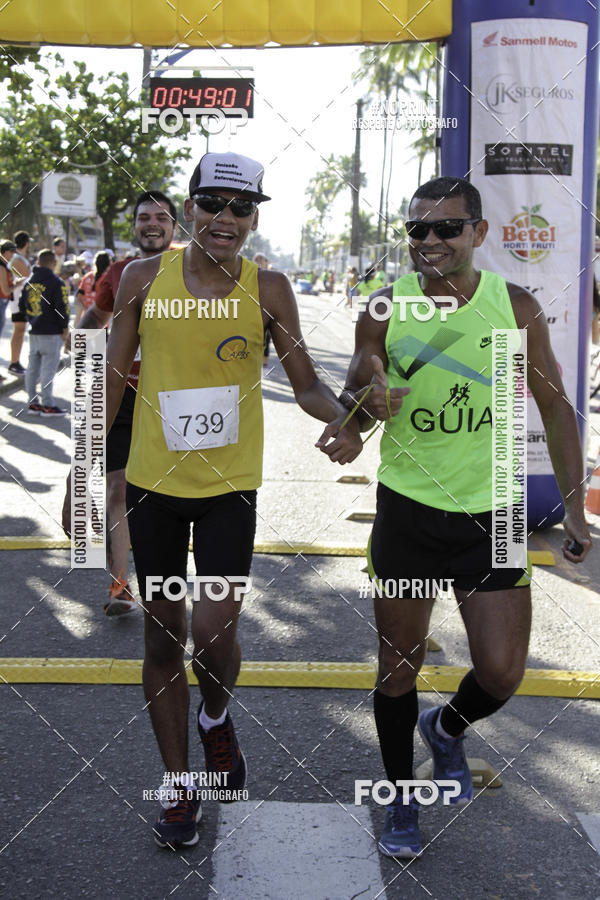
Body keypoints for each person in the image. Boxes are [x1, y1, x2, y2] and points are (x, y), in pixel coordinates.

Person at [100, 151, 362, 849]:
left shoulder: (269, 287)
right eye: (213, 204)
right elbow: (113, 383)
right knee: (162, 637)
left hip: (227, 491)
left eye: (241, 208)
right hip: (155, 488)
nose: (226, 219)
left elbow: (305, 382)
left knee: (214, 634)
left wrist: (342, 418)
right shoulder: (139, 279)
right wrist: (83, 468)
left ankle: (216, 716)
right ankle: (180, 786)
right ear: (191, 208)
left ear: (253, 218)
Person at [336, 176, 591, 858]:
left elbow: (556, 408)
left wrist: (576, 511)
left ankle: (445, 729)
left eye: (447, 228)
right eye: (418, 229)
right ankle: (400, 803)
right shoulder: (387, 306)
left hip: (499, 510)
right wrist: (362, 406)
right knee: (397, 669)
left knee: (503, 672)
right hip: (410, 510)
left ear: (478, 233)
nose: (430, 241)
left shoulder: (516, 308)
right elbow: (356, 388)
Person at [64, 191, 177, 616]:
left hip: (171, 399)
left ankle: (165, 579)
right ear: (134, 225)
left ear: (173, 226)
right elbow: (95, 318)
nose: (152, 223)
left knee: (169, 493)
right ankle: (119, 583)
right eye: (144, 216)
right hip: (122, 395)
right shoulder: (116, 272)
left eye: (161, 217)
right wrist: (76, 348)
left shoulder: (191, 271)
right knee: (118, 487)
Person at [20, 249, 69, 416]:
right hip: (52, 331)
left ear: (38, 262)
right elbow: (61, 307)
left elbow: (22, 306)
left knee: (32, 368)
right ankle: (48, 404)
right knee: (48, 369)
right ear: (54, 263)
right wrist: (65, 327)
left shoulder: (29, 283)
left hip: (34, 330)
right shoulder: (56, 282)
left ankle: (33, 402)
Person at [8, 231, 32, 374]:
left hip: (21, 300)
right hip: (18, 300)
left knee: (20, 331)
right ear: (26, 243)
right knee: (19, 331)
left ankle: (15, 361)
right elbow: (28, 277)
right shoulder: (17, 258)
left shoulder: (19, 257)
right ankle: (14, 362)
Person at [74, 251, 111, 326]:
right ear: (108, 264)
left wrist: (86, 309)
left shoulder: (87, 277)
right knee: (99, 338)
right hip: (101, 322)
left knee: (83, 337)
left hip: (85, 320)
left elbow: (79, 297)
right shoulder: (107, 279)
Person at [0, 240, 16, 381]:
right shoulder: (1, 267)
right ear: (4, 251)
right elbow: (5, 289)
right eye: (11, 251)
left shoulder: (4, 266)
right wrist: (18, 284)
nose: (13, 255)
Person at [253, 252, 271, 367]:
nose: (259, 261)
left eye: (262, 259)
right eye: (257, 259)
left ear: (266, 262)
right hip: (252, 312)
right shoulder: (247, 274)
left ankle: (264, 367)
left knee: (266, 340)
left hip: (266, 312)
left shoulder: (271, 277)